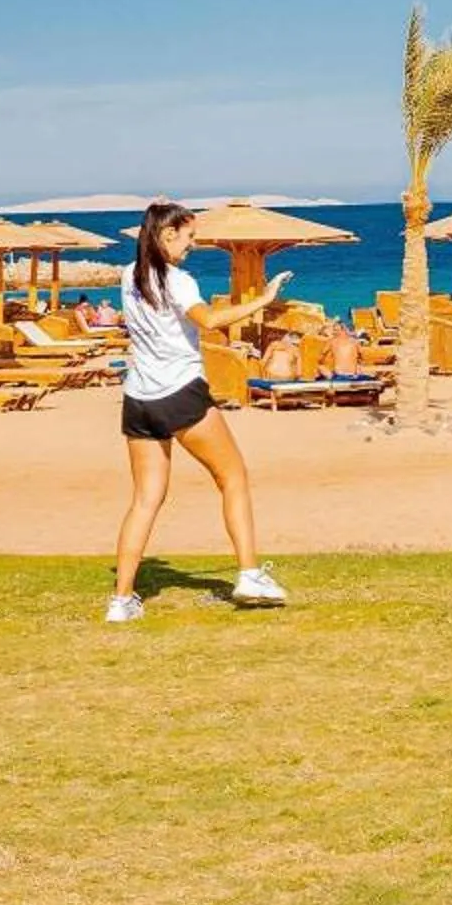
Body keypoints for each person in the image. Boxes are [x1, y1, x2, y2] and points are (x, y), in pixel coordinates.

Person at [108, 201, 293, 622]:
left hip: (139, 401)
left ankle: (121, 601)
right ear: (168, 235)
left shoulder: (127, 277)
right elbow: (210, 321)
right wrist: (263, 299)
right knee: (233, 477)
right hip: (179, 395)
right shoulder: (179, 282)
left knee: (144, 500)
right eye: (188, 238)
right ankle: (248, 574)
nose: (192, 246)